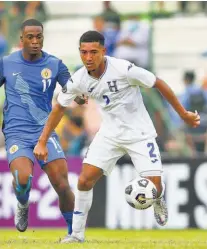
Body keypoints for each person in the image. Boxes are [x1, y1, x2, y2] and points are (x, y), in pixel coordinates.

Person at [33, 31, 200, 243]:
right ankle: (76, 235)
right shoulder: (79, 79)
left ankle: (158, 197)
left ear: (104, 51)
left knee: (154, 186)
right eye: (84, 52)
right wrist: (42, 141)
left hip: (139, 134)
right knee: (84, 180)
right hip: (109, 135)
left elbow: (157, 83)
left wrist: (183, 113)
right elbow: (59, 108)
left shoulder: (123, 69)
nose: (89, 57)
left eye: (94, 52)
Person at [0, 19, 85, 234]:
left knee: (63, 185)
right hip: (16, 132)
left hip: (45, 132)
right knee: (22, 179)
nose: (35, 41)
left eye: (39, 37)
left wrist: (80, 96)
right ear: (22, 39)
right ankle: (23, 204)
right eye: (30, 37)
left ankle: (73, 233)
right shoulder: (7, 63)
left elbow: (71, 86)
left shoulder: (55, 64)